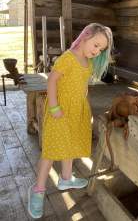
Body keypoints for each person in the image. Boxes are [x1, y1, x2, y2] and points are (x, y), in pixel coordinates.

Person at [27, 23, 113, 219]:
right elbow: (52, 81)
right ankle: (38, 190)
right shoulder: (67, 58)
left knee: (71, 143)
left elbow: (83, 87)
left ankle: (66, 178)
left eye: (101, 49)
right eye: (96, 45)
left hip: (77, 111)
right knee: (50, 151)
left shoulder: (88, 62)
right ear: (86, 35)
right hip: (60, 110)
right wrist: (54, 107)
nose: (96, 51)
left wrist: (86, 108)